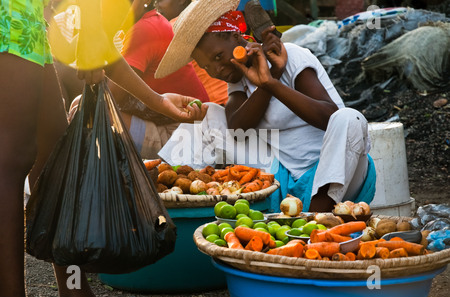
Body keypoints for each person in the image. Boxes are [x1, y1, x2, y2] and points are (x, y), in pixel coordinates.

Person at [0, 0, 206, 297]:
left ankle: (73, 289)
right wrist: (91, 40)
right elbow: (95, 40)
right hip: (11, 14)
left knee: (54, 156)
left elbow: (99, 48)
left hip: (28, 18)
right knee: (13, 159)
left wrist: (159, 101)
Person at [154, 0, 376, 213]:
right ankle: (169, 192)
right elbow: (237, 129)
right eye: (206, 66)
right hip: (283, 177)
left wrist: (272, 80)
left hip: (338, 176)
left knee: (349, 118)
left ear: (235, 36)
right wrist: (269, 80)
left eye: (218, 56)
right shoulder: (239, 79)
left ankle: (314, 222)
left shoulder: (290, 55)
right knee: (207, 115)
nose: (217, 70)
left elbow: (328, 116)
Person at [107, 1, 210, 159]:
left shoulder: (143, 30)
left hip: (182, 136)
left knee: (96, 113)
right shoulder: (148, 21)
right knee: (82, 106)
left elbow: (110, 98)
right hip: (175, 125)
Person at [154, 0, 229, 106]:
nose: (157, 5)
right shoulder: (209, 16)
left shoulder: (172, 29)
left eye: (160, 0)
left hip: (218, 103)